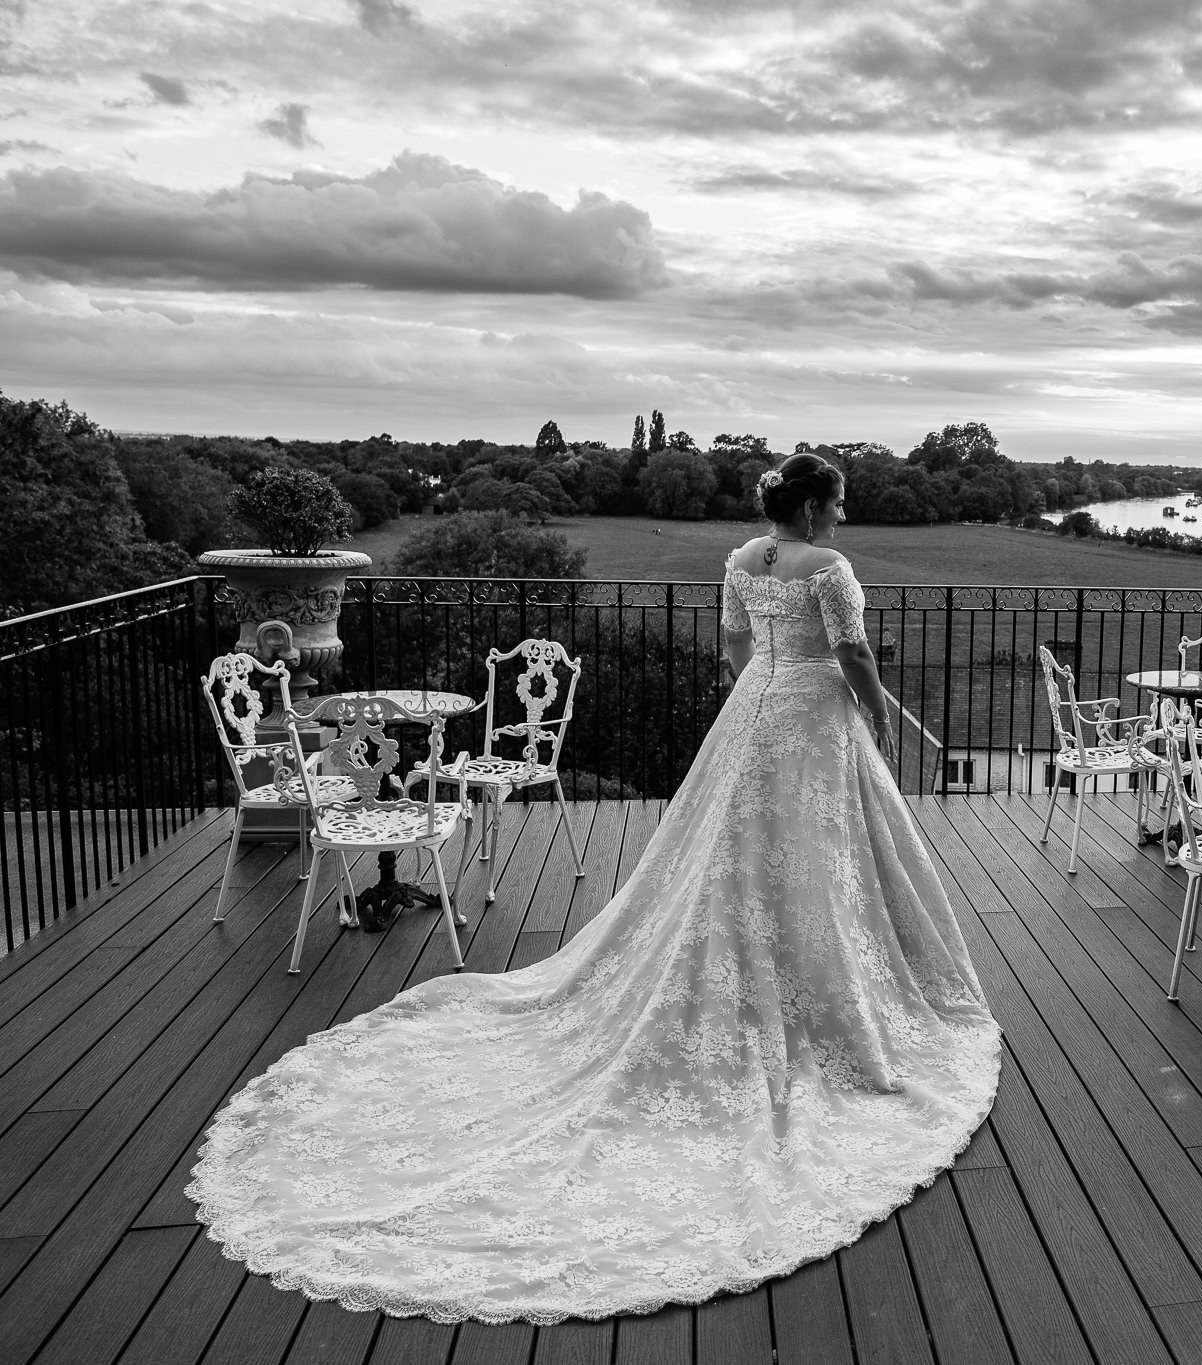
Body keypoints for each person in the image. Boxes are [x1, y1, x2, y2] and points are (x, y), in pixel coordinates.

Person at [186, 452, 1001, 1325]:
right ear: (809, 507)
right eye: (836, 500)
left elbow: (733, 645)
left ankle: (765, 959)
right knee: (817, 850)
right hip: (810, 715)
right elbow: (853, 650)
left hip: (756, 704)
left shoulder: (740, 560)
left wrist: (754, 681)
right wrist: (872, 708)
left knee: (728, 848)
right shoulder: (829, 568)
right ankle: (819, 982)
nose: (842, 514)